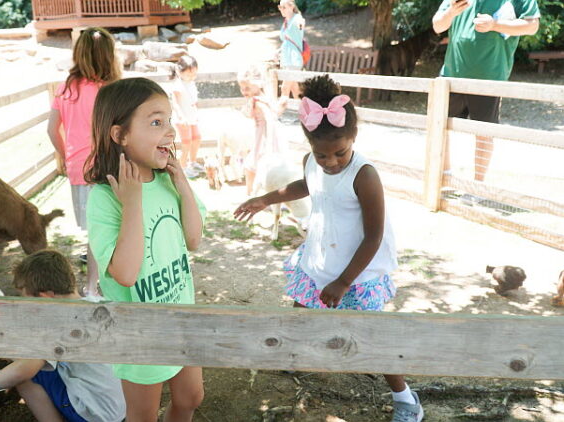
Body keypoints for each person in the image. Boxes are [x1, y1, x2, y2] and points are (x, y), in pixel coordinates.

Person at [234, 75, 424, 422]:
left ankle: (405, 397)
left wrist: (344, 282)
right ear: (309, 144)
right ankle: (291, 356)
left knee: (371, 336)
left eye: (340, 152)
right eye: (321, 154)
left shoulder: (364, 175)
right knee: (300, 308)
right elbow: (305, 185)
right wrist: (264, 199)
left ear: (354, 137)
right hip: (321, 256)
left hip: (358, 270)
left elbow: (374, 236)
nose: (331, 161)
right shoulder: (313, 161)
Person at [84, 77, 206, 422]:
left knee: (192, 397)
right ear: (120, 135)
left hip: (181, 315)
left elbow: (194, 240)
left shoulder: (169, 181)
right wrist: (133, 201)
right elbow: (125, 273)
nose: (170, 131)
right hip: (140, 328)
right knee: (143, 415)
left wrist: (182, 184)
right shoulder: (105, 199)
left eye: (169, 120)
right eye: (156, 122)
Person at [0, 249, 126, 422]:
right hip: (123, 405)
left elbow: (24, 369)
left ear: (45, 296)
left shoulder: (59, 323)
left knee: (25, 376)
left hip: (94, 414)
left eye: (27, 299)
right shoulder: (96, 303)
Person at [47, 27, 121, 297]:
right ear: (109, 55)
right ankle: (99, 285)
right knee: (109, 228)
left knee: (95, 231)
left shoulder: (65, 87)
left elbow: (51, 130)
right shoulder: (111, 89)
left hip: (79, 169)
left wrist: (67, 159)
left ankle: (92, 287)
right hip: (107, 169)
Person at [432, 0, 539, 182]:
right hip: (451, 74)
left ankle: (478, 186)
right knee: (440, 128)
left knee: (484, 133)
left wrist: (495, 25)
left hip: (489, 77)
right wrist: (451, 12)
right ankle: (444, 177)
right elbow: (437, 25)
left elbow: (532, 26)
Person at [237, 65, 285, 195]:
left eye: (247, 87)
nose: (244, 91)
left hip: (264, 136)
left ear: (257, 84)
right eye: (242, 88)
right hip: (263, 133)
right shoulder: (261, 98)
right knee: (255, 162)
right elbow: (273, 114)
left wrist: (269, 141)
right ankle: (252, 192)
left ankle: (251, 192)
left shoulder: (258, 102)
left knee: (254, 162)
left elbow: (269, 118)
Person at [169, 55, 203, 178]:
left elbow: (193, 100)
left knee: (197, 138)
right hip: (182, 119)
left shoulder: (191, 83)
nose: (192, 77)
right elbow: (176, 103)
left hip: (192, 117)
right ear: (179, 71)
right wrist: (181, 117)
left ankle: (192, 162)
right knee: (186, 142)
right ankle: (183, 167)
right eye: (189, 74)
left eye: (194, 74)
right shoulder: (178, 85)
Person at [277, 0, 305, 111]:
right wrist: (278, 51)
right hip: (286, 59)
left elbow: (301, 24)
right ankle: (304, 113)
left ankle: (277, 113)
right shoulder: (286, 22)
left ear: (291, 6)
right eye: (280, 7)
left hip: (294, 60)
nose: (281, 9)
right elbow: (287, 41)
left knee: (285, 88)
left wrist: (300, 25)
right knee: (295, 89)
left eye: (283, 7)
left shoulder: (297, 19)